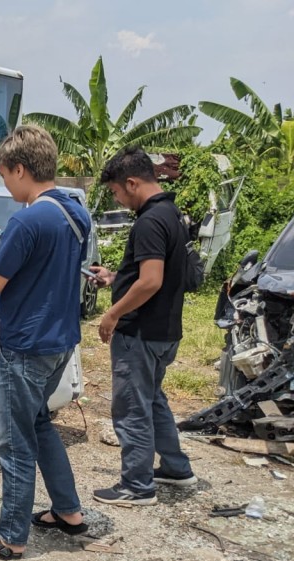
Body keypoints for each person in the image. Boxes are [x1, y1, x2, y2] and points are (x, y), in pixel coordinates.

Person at [0, 125, 91, 560]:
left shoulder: (27, 220)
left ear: (21, 168)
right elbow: (34, 271)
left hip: (25, 346)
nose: (5, 184)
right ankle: (68, 512)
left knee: (14, 442)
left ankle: (10, 537)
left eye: (4, 175)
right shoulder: (73, 212)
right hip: (60, 343)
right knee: (40, 424)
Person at [89, 147, 197, 506]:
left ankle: (136, 485)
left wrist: (113, 313)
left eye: (117, 191)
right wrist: (115, 277)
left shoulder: (149, 221)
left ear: (132, 183)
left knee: (133, 407)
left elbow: (150, 281)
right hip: (165, 331)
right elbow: (152, 274)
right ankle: (176, 468)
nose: (118, 198)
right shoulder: (171, 214)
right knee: (153, 401)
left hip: (140, 331)